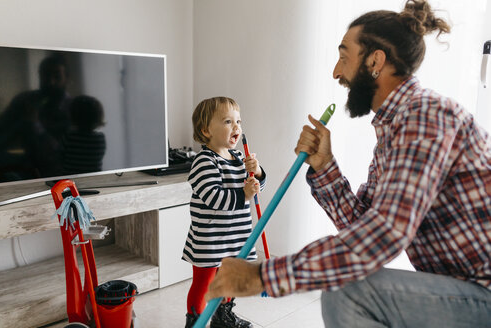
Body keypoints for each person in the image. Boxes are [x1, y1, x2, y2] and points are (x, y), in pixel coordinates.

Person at [205, 1, 491, 327]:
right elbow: (362, 228)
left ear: (375, 61)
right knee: (347, 285)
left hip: (482, 293)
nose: (336, 72)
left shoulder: (425, 114)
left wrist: (262, 275)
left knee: (346, 290)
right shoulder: (395, 131)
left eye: (344, 57)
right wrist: (325, 165)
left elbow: (384, 234)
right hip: (463, 290)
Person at [183, 97, 266, 328]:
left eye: (238, 121)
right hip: (210, 240)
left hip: (234, 238)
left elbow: (256, 189)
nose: (237, 126)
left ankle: (223, 317)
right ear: (205, 130)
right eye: (228, 121)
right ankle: (195, 322)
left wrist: (257, 173)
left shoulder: (240, 158)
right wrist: (244, 195)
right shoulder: (204, 161)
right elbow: (214, 198)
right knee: (204, 284)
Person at [0, 53, 72, 180]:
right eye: (45, 75)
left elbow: (60, 153)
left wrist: (35, 124)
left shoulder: (75, 109)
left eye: (57, 76)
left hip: (61, 175)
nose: (50, 82)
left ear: (66, 78)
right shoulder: (24, 100)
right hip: (25, 168)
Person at [62, 95, 106, 175]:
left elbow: (60, 157)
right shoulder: (100, 138)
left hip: (70, 180)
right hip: (94, 179)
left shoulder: (69, 137)